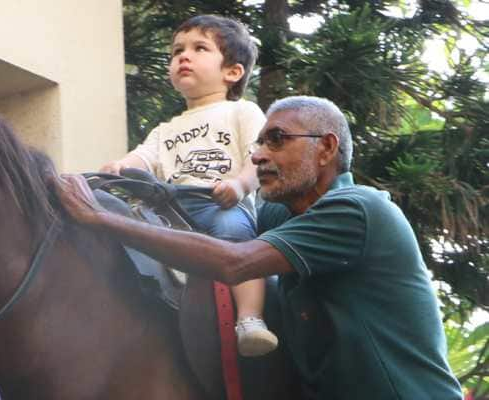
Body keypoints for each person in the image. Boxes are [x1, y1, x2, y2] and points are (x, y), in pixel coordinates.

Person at [55, 96, 464, 399]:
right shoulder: (283, 217)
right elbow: (203, 228)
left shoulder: (358, 210)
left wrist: (102, 220)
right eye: (257, 145)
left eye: (277, 140)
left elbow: (235, 262)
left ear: (326, 147)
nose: (258, 155)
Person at [100, 14, 277, 356]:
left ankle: (250, 318)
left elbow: (258, 159)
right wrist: (120, 166)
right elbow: (143, 157)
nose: (183, 56)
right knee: (123, 229)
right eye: (177, 50)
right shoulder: (165, 129)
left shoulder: (242, 112)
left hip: (219, 203)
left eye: (199, 48)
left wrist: (239, 186)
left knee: (238, 240)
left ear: (232, 72)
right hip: (169, 209)